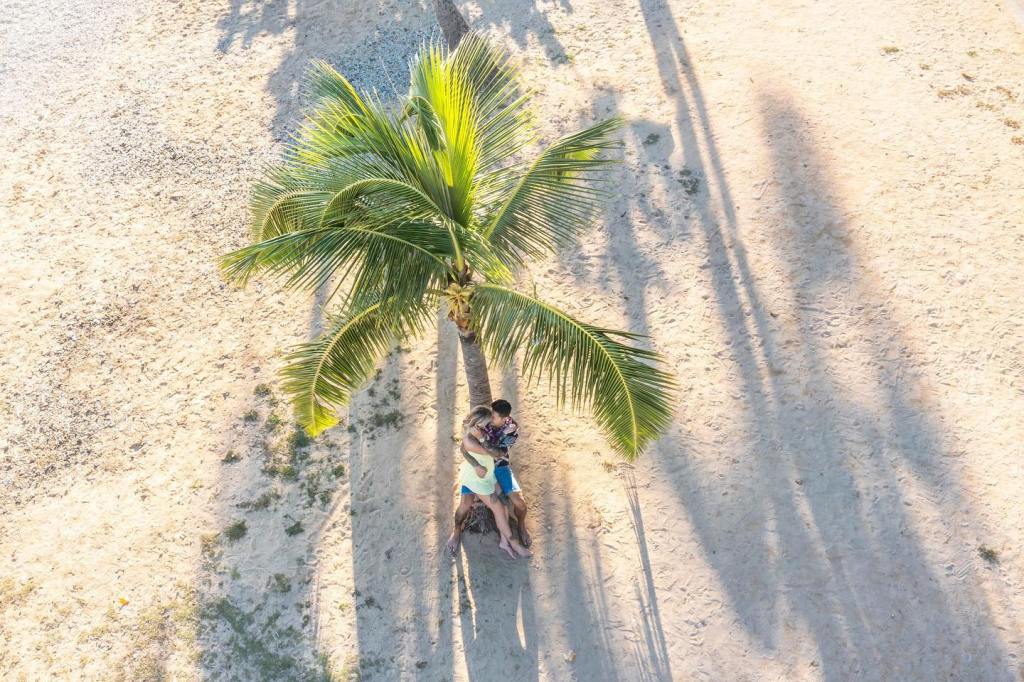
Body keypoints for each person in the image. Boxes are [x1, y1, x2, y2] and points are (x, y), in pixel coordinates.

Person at [445, 405, 532, 559]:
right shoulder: (473, 439)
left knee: (505, 505)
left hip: (488, 474)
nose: (489, 425)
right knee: (484, 507)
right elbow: (495, 453)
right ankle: (514, 545)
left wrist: (476, 462)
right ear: (479, 425)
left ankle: (504, 541)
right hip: (478, 480)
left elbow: (492, 454)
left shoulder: (492, 429)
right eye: (488, 421)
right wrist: (477, 461)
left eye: (493, 418)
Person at [482, 399, 530, 547]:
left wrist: (482, 440)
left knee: (519, 503)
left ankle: (521, 525)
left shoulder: (512, 429)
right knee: (498, 502)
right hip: (482, 466)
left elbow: (499, 453)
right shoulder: (484, 419)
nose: (490, 418)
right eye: (491, 414)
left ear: (504, 419)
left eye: (494, 417)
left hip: (500, 466)